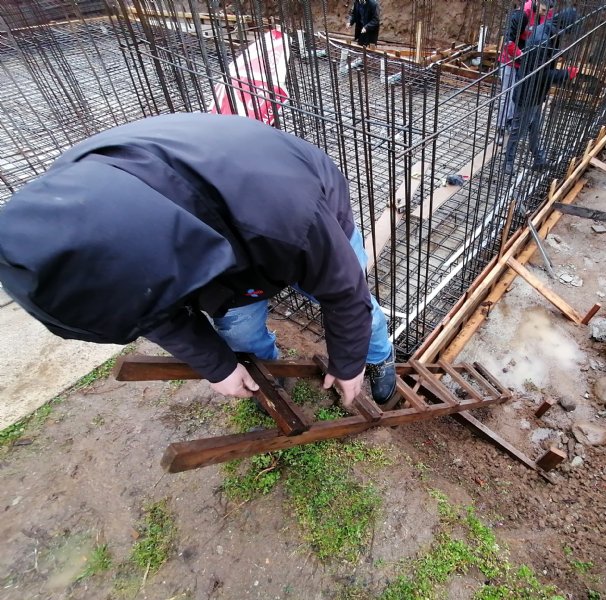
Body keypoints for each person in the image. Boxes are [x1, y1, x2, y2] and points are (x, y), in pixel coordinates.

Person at [0, 113, 397, 410]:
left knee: (362, 312)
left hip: (293, 209)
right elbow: (147, 309)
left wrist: (348, 364)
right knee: (238, 325)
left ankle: (378, 358)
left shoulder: (287, 218)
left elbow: (345, 295)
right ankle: (268, 376)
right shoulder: (83, 211)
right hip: (218, 222)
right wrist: (218, 366)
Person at [504, 8, 579, 175]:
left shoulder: (548, 31)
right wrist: (566, 74)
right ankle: (508, 162)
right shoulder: (542, 40)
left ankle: (539, 159)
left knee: (536, 127)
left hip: (537, 92)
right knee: (519, 130)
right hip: (528, 93)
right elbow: (541, 73)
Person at [496, 7, 529, 133]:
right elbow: (508, 41)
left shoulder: (541, 15)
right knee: (507, 94)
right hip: (509, 62)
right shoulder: (520, 15)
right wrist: (519, 53)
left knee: (516, 95)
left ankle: (509, 120)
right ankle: (501, 126)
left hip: (521, 63)